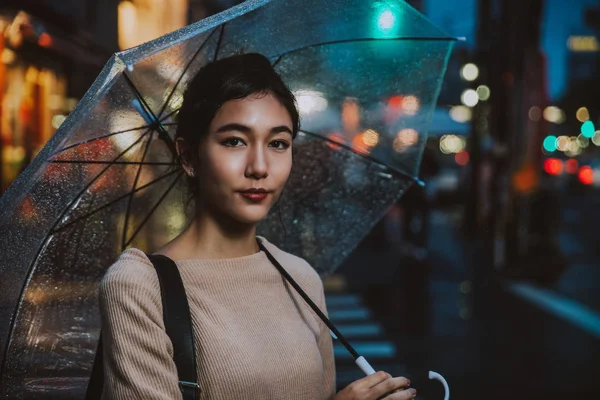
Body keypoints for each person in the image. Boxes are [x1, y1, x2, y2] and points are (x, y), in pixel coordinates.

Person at [99, 53, 416, 400]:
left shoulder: (301, 278)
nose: (260, 167)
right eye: (234, 140)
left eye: (278, 143)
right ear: (189, 156)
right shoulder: (138, 287)